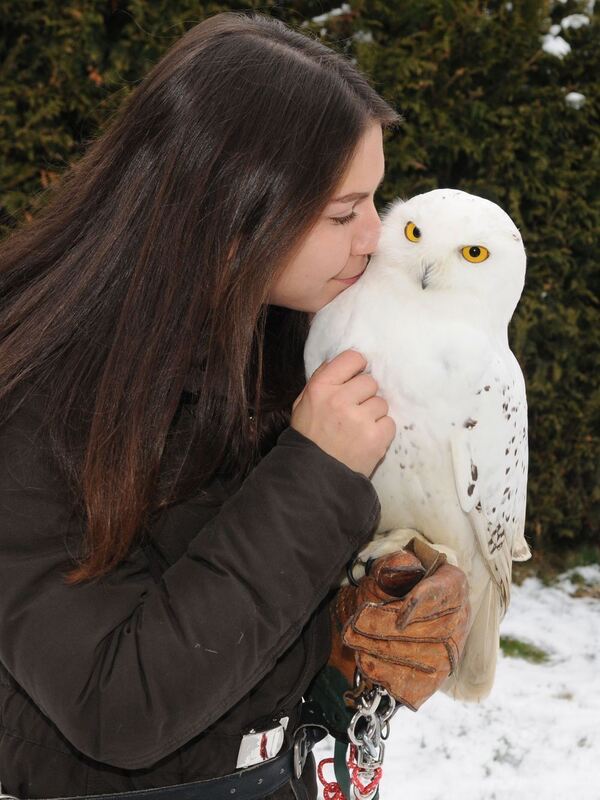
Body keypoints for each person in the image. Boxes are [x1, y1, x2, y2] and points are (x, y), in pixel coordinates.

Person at [0, 11, 469, 800]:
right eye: (342, 212)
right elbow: (118, 706)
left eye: (375, 202)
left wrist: (352, 615)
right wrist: (315, 477)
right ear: (227, 213)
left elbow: (224, 602)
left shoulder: (281, 334)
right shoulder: (33, 385)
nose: (375, 239)